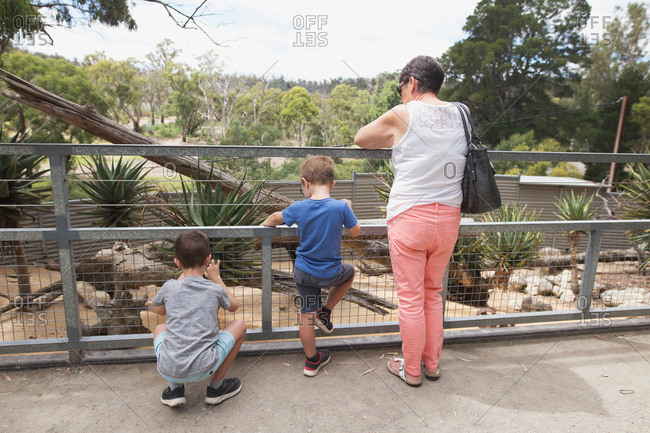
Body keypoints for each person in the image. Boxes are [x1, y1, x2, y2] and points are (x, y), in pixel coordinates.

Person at [354, 55, 466, 387]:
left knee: (412, 298)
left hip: (409, 218)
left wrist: (395, 138)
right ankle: (431, 364)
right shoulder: (462, 112)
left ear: (412, 84)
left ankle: (411, 370)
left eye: (401, 87)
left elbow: (361, 138)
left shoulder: (403, 113)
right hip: (449, 218)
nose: (401, 93)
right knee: (433, 292)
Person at [260, 155, 361, 376]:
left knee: (306, 315)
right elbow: (356, 232)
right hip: (330, 274)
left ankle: (311, 362)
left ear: (305, 182)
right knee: (350, 272)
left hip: (304, 273)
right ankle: (325, 312)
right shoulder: (340, 207)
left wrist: (260, 231)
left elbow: (276, 217)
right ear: (332, 185)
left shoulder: (299, 207)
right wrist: (348, 208)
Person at [152, 230, 247, 407]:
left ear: (177, 262)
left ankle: (175, 389)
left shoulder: (169, 287)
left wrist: (182, 278)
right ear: (207, 259)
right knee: (240, 325)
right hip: (205, 366)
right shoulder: (214, 289)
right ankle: (216, 388)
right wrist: (217, 278)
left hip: (168, 368)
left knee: (159, 328)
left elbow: (160, 311)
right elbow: (233, 306)